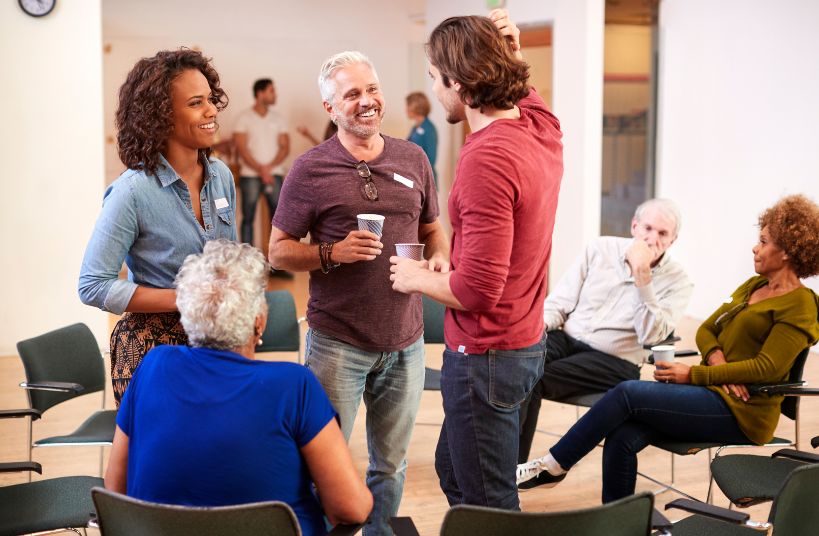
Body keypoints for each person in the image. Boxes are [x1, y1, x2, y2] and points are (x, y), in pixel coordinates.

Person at [517, 194, 819, 503]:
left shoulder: (801, 305)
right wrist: (717, 362)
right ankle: (621, 519)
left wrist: (694, 375)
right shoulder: (754, 287)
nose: (755, 248)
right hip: (713, 391)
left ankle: (554, 465)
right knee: (621, 434)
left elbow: (766, 368)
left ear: (787, 251)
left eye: (763, 242)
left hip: (742, 411)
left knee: (627, 393)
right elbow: (706, 330)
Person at [268, 51, 449, 535]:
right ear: (330, 108)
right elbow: (277, 252)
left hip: (406, 342)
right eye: (352, 94)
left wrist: (438, 258)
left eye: (372, 89)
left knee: (390, 466)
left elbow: (433, 228)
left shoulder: (413, 158)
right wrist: (332, 252)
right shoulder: (310, 169)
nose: (367, 101)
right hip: (337, 345)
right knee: (321, 468)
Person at [390, 10, 563, 510]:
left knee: (489, 505)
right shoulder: (541, 129)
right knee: (454, 469)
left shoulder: (486, 157)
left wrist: (415, 276)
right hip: (524, 343)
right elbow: (527, 94)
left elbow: (478, 292)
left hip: (487, 355)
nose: (434, 89)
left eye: (435, 78)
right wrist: (511, 51)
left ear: (460, 85)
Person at [104, 240, 373, 535]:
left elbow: (115, 488)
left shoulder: (153, 366)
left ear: (188, 315)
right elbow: (351, 508)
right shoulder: (293, 386)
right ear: (259, 322)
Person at [78, 49, 236, 405]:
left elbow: (231, 262)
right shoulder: (132, 192)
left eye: (210, 99)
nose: (211, 110)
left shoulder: (222, 177)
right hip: (154, 348)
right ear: (160, 116)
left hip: (216, 339)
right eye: (196, 103)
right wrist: (185, 298)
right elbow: (92, 285)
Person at [517, 198, 694, 468]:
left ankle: (509, 472)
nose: (652, 239)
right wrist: (531, 331)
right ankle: (492, 463)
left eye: (662, 233)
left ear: (673, 240)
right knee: (518, 365)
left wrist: (642, 275)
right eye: (647, 228)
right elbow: (559, 303)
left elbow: (650, 337)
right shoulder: (600, 249)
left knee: (535, 378)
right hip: (567, 338)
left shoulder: (679, 282)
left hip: (614, 360)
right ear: (634, 226)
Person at [234, 78, 290, 253]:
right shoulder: (243, 118)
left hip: (274, 174)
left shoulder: (278, 119)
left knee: (278, 220)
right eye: (271, 91)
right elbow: (241, 148)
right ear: (260, 93)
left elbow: (285, 147)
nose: (275, 94)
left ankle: (276, 260)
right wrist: (261, 169)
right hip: (249, 175)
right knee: (248, 217)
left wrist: (268, 168)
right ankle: (247, 259)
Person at [405, 92, 438, 188]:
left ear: (415, 107)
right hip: (414, 177)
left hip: (425, 180)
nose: (406, 109)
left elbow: (431, 159)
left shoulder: (429, 129)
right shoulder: (415, 128)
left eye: (408, 106)